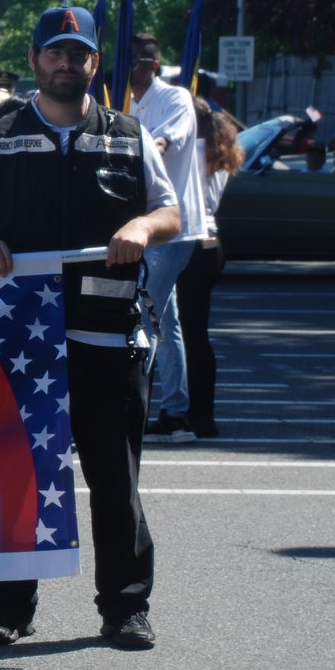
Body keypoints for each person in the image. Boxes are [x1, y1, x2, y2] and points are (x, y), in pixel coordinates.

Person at [0, 4, 179, 651]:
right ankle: (10, 608)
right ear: (35, 61)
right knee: (21, 477)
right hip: (24, 341)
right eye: (55, 52)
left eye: (78, 54)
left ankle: (126, 608)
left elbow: (170, 212)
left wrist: (141, 227)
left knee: (114, 479)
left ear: (95, 64)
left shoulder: (126, 135)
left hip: (108, 336)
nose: (66, 63)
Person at [127, 32, 208, 446]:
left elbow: (159, 144)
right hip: (148, 225)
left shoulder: (174, 100)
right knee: (165, 321)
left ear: (151, 65)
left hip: (175, 227)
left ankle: (135, 405)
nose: (124, 70)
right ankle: (176, 410)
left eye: (132, 62)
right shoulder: (131, 104)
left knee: (142, 315)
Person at [176, 98, 243, 440]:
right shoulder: (218, 150)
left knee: (183, 332)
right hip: (211, 242)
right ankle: (202, 412)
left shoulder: (193, 151)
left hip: (192, 242)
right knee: (195, 333)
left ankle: (191, 409)